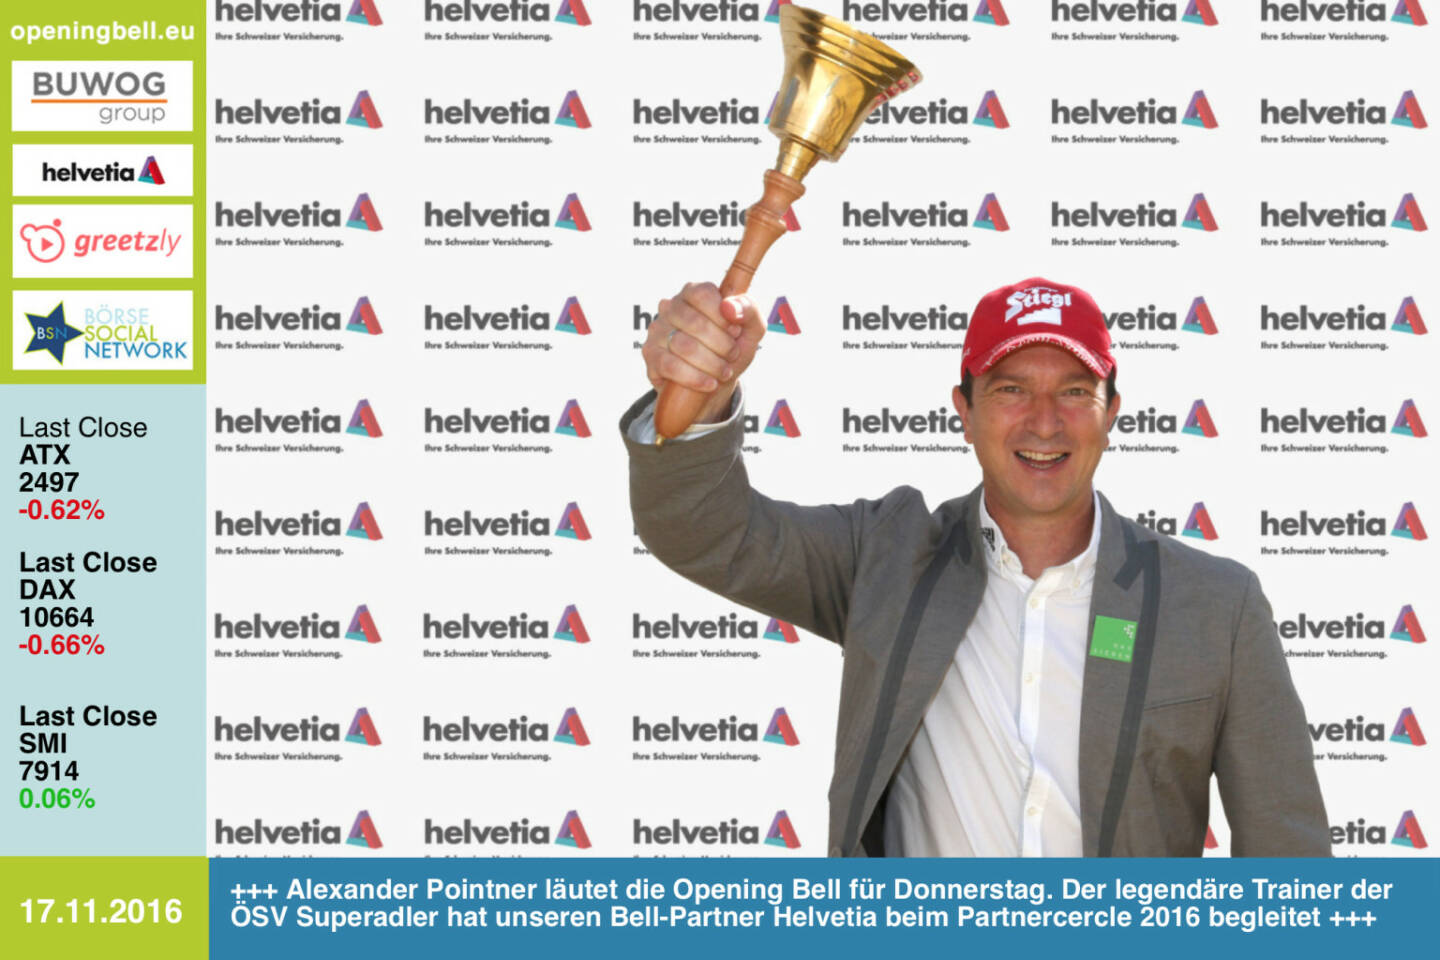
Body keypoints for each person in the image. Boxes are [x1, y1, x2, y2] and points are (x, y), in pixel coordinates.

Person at [620, 277, 1329, 857]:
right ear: (963, 410)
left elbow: (1287, 859)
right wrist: (699, 400)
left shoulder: (1216, 606)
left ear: (1111, 412)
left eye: (1074, 391)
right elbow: (703, 530)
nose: (1044, 421)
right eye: (1011, 389)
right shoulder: (885, 559)